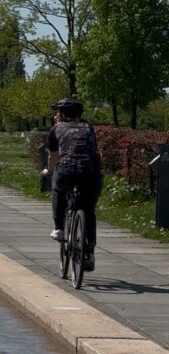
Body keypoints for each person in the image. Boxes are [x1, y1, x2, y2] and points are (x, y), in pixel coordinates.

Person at [41, 98, 102, 270]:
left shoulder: (56, 129)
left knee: (58, 189)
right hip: (91, 172)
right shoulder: (88, 127)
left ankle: (59, 228)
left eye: (57, 112)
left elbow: (53, 156)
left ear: (61, 114)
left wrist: (49, 171)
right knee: (88, 210)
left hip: (67, 171)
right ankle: (89, 250)